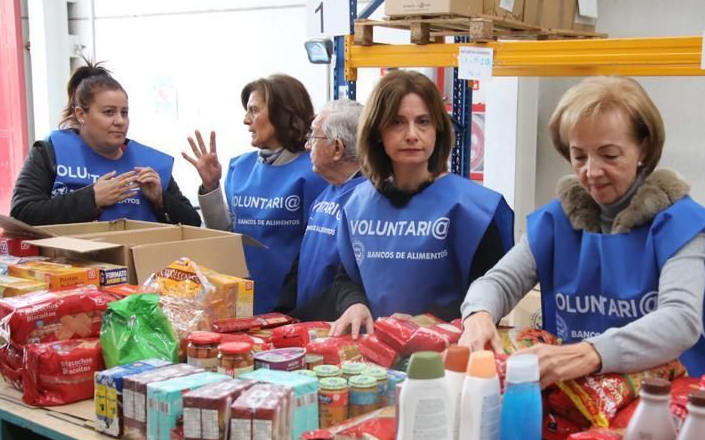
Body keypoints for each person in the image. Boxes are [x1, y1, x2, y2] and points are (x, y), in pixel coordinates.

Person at [458, 76, 705, 385]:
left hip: (659, 402)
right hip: (578, 399)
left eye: (609, 155)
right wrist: (478, 315)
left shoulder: (679, 226)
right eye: (579, 156)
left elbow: (680, 320)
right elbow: (500, 282)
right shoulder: (556, 223)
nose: (591, 171)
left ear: (644, 149)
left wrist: (589, 353)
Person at [331, 69, 514, 337]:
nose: (412, 134)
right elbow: (346, 277)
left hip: (453, 353)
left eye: (423, 121)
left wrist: (431, 324)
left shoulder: (476, 210)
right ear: (377, 132)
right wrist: (354, 303)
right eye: (397, 122)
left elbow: (494, 293)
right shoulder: (356, 204)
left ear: (438, 129)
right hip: (376, 352)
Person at [184, 74, 328, 314]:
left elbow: (318, 251)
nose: (245, 120)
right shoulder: (239, 168)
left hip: (292, 304)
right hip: (240, 300)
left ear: (282, 113)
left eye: (253, 111)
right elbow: (226, 236)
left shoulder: (314, 172)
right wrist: (211, 187)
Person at [11, 62, 200, 226]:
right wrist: (91, 199)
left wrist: (160, 200)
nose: (119, 121)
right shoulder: (51, 153)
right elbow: (22, 213)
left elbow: (193, 222)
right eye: (109, 112)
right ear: (81, 115)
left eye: (124, 113)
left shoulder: (149, 163)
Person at [275, 99, 367, 319]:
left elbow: (351, 280)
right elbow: (301, 262)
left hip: (337, 325)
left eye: (313, 137)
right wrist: (284, 313)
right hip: (306, 323)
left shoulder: (367, 201)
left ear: (337, 148)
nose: (307, 145)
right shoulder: (328, 191)